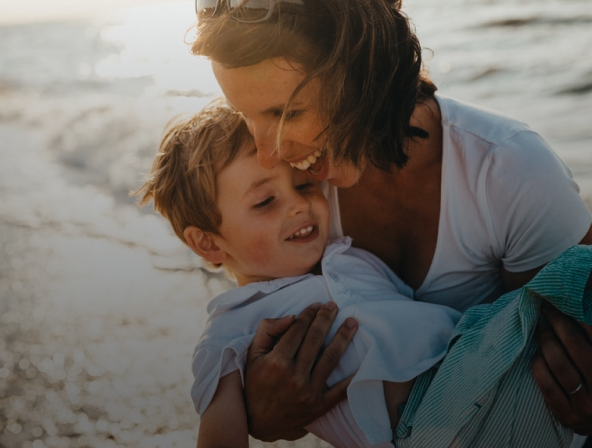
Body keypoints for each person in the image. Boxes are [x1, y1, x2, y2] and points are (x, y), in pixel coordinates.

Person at [190, 0, 592, 445]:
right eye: (246, 115)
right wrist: (263, 414)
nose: (269, 153)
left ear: (363, 73)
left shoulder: (509, 171)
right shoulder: (294, 195)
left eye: (287, 114)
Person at [135, 103, 590, 448]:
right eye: (264, 203)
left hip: (476, 361)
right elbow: (220, 428)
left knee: (572, 278)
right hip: (426, 421)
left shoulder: (347, 254)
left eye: (303, 186)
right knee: (577, 275)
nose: (299, 204)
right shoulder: (236, 325)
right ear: (209, 243)